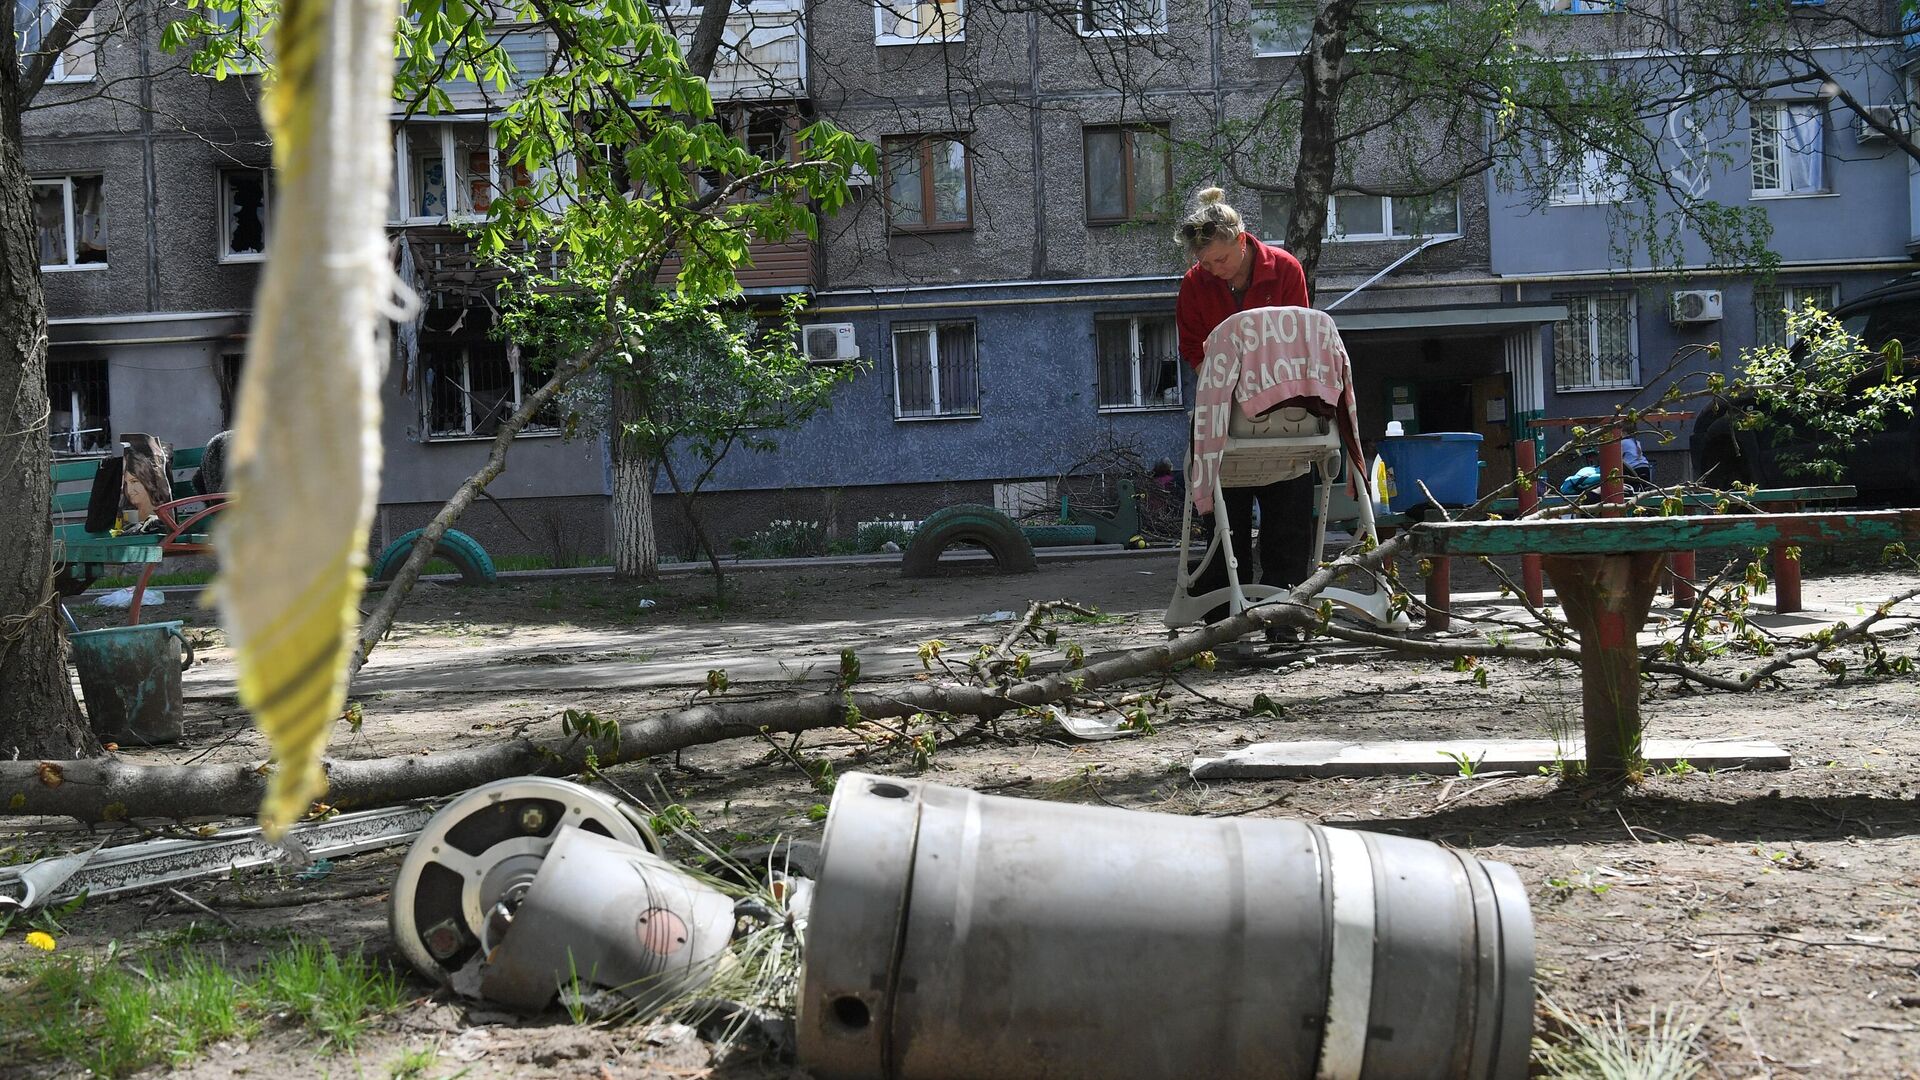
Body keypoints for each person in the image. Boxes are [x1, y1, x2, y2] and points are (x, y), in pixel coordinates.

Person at [1174, 187, 1313, 641]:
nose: (1215, 270)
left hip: (1282, 410)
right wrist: (1225, 391)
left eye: (1222, 261)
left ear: (1241, 240)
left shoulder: (1285, 269)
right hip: (1223, 415)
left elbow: (1297, 337)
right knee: (1220, 527)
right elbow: (1194, 349)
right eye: (1206, 263)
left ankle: (1285, 621)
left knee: (1287, 525)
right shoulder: (1195, 284)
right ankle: (1223, 628)